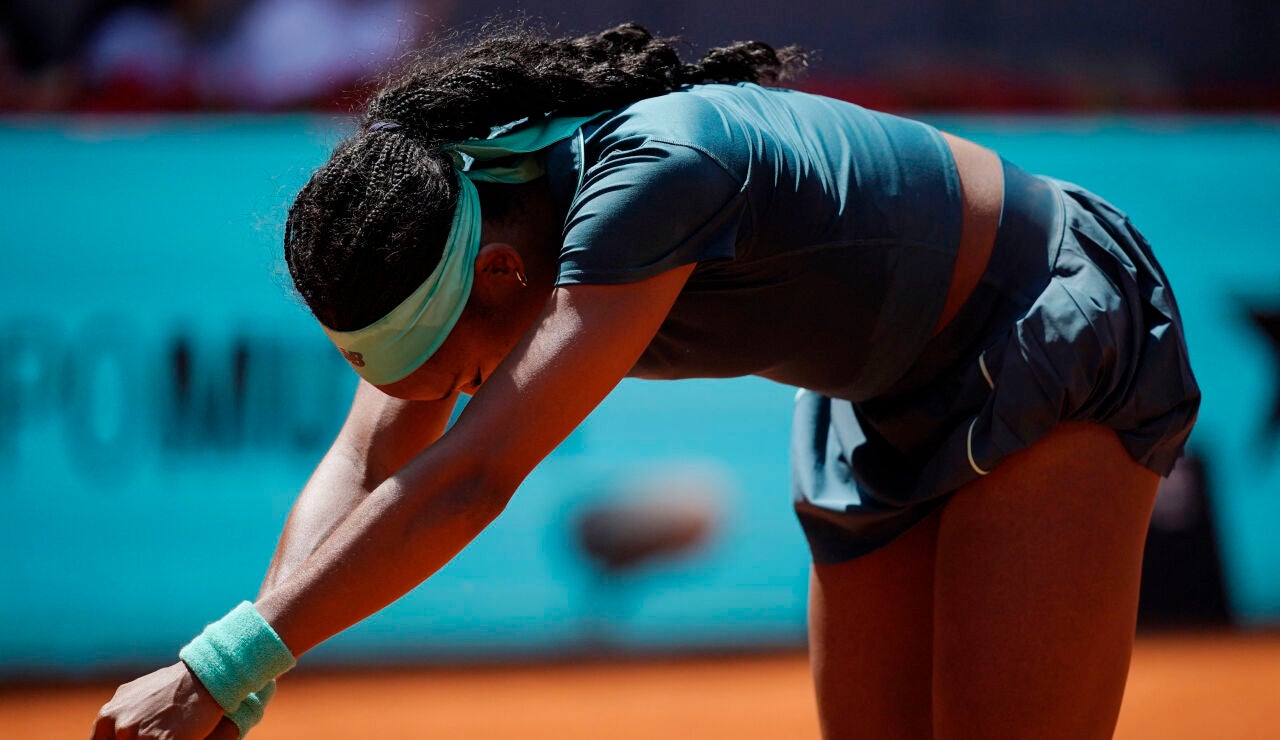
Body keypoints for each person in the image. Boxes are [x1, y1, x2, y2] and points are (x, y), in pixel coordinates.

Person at [92, 22, 1200, 740]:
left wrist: (210, 665)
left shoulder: (654, 177)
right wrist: (241, 679)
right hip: (875, 394)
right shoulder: (468, 210)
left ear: (502, 274)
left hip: (1035, 330)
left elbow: (472, 474)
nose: (441, 396)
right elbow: (362, 457)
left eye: (452, 372)